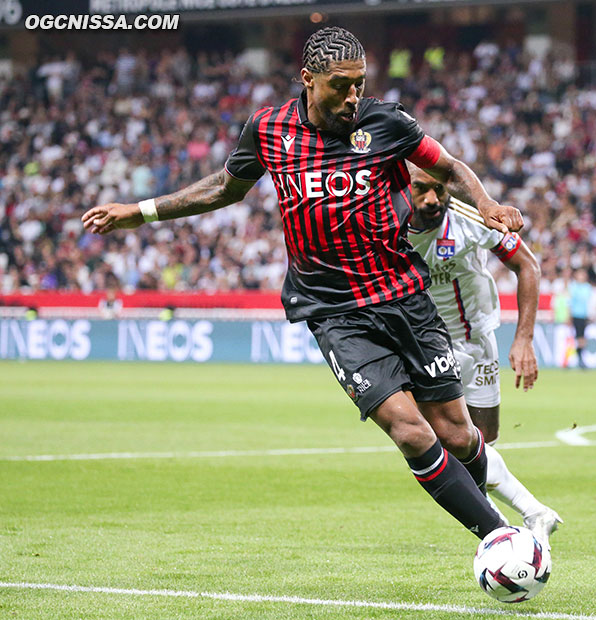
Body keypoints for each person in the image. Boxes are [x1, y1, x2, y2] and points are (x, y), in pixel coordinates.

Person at [81, 27, 524, 541]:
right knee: (409, 431)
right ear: (307, 80)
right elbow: (225, 188)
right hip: (335, 312)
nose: (353, 96)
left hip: (403, 294)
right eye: (341, 85)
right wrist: (141, 211)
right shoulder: (269, 130)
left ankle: (506, 528)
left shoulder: (387, 123)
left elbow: (449, 167)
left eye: (359, 83)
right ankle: (499, 538)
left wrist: (488, 205)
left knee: (457, 433)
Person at [405, 164, 562, 547]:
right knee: (452, 439)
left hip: (477, 340)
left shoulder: (468, 215)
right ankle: (517, 522)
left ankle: (507, 526)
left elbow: (528, 265)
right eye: (421, 190)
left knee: (481, 442)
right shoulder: (385, 222)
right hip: (428, 344)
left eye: (439, 190)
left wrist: (524, 338)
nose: (432, 199)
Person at [568, 269, 594, 368]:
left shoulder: (588, 287)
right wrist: (569, 316)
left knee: (582, 338)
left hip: (584, 316)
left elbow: (590, 302)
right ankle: (576, 359)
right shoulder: (573, 287)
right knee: (577, 337)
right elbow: (569, 302)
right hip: (575, 315)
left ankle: (580, 358)